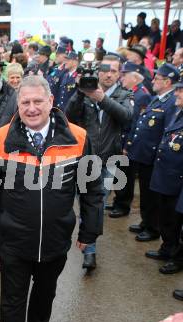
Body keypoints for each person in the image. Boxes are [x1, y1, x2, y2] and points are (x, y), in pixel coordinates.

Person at [0, 75, 103, 322]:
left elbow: (92, 189)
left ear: (51, 101)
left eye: (38, 101)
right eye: (25, 102)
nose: (32, 108)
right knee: (12, 299)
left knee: (46, 291)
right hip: (14, 240)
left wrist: (90, 231)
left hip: (56, 238)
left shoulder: (78, 138)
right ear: (18, 104)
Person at [65, 54, 132, 270]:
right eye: (105, 70)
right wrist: (79, 92)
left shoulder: (123, 94)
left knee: (96, 202)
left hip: (109, 159)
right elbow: (68, 117)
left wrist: (101, 98)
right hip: (84, 158)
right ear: (97, 72)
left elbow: (126, 117)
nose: (109, 74)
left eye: (113, 70)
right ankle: (83, 241)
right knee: (81, 200)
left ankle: (90, 250)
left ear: (119, 73)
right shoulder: (84, 92)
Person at [127, 64, 178, 244]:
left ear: (167, 81)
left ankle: (153, 227)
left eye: (157, 79)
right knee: (146, 193)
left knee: (153, 196)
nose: (153, 81)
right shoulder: (158, 98)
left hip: (154, 156)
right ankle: (146, 221)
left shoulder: (171, 102)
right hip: (144, 154)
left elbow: (168, 131)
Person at [148, 75, 183, 275]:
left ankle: (176, 258)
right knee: (167, 217)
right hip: (167, 175)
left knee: (175, 221)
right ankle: (167, 247)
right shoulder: (178, 113)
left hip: (177, 178)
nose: (176, 94)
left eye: (180, 91)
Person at [111, 62, 152, 233]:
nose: (122, 78)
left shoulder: (142, 95)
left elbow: (136, 122)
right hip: (122, 136)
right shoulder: (130, 92)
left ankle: (123, 205)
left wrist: (128, 143)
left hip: (130, 140)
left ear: (135, 77)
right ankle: (118, 202)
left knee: (126, 175)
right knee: (120, 173)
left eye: (125, 75)